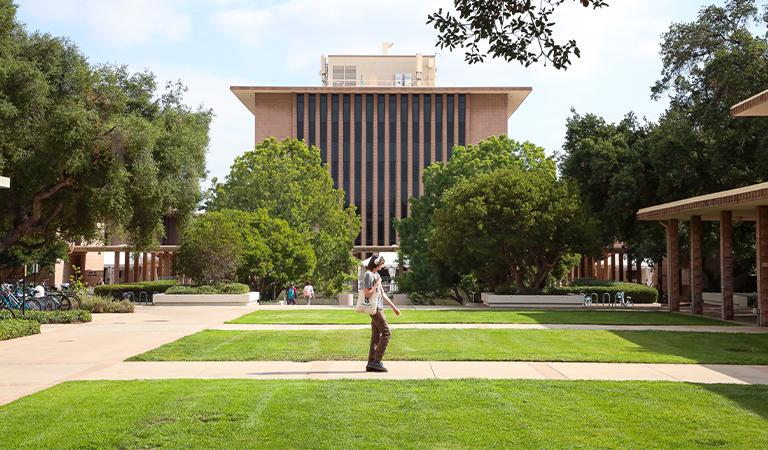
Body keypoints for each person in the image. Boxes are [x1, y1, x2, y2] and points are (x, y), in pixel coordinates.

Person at [363, 253, 401, 373]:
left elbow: (383, 295)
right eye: (381, 264)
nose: (382, 266)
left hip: (379, 307)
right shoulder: (368, 275)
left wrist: (394, 307)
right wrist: (376, 284)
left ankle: (371, 363)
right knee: (387, 333)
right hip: (375, 309)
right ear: (376, 263)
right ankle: (377, 361)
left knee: (376, 336)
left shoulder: (377, 274)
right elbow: (367, 293)